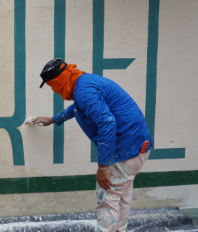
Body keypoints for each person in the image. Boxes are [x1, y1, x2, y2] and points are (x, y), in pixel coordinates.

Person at [35, 58, 152, 232]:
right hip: (138, 146)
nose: (54, 91)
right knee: (121, 198)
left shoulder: (83, 91)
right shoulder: (84, 82)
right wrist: (54, 119)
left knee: (107, 199)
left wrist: (104, 166)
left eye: (53, 86)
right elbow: (80, 107)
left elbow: (107, 122)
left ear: (59, 81)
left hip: (125, 150)